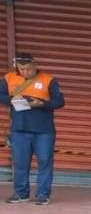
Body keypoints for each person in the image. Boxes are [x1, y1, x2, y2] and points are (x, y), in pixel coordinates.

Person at [3, 52, 65, 205]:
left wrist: (42, 103)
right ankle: (21, 193)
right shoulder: (8, 78)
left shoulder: (48, 80)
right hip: (19, 129)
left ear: (35, 65)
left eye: (28, 69)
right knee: (20, 162)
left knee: (44, 161)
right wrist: (11, 100)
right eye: (22, 69)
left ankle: (42, 195)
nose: (25, 72)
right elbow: (1, 95)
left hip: (43, 130)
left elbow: (60, 101)